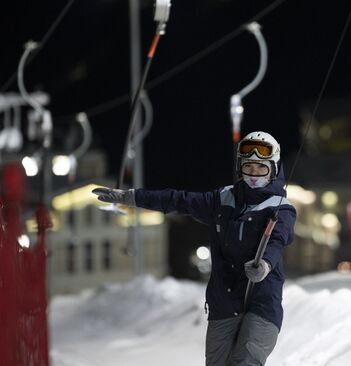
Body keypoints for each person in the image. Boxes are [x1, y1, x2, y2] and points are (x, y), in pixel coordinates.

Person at [93, 131, 296, 365]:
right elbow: (178, 200)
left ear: (274, 169)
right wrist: (132, 197)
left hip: (262, 302)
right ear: (240, 167)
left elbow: (277, 240)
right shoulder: (222, 200)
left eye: (261, 168)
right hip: (225, 303)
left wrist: (265, 266)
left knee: (246, 362)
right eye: (248, 167)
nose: (253, 175)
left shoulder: (280, 209)